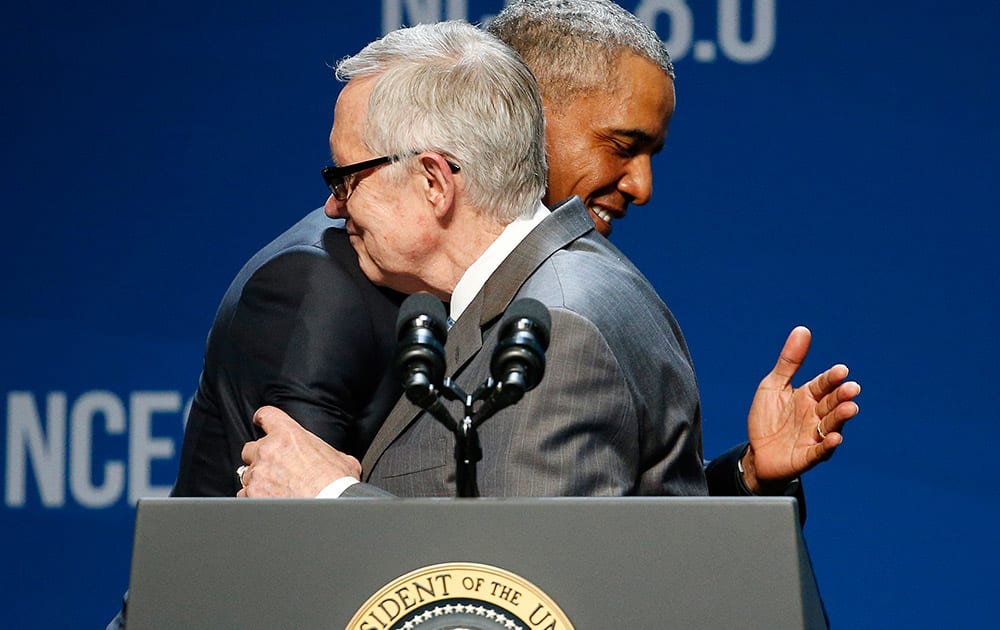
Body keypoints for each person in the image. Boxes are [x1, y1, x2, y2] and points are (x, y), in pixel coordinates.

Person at [235, 20, 858, 501]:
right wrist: (746, 477)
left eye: (347, 177)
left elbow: (528, 590)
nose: (334, 206)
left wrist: (330, 499)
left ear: (433, 182)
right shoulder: (579, 280)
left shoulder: (559, 328)